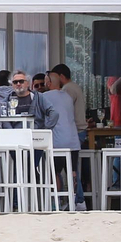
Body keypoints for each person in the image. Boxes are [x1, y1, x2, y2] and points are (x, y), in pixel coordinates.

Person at [37, 81, 83, 209]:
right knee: (72, 171)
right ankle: (74, 200)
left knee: (54, 171)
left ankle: (56, 201)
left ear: (49, 82)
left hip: (57, 141)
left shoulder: (45, 96)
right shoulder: (67, 96)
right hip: (73, 140)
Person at [48, 65, 88, 148]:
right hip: (80, 130)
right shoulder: (74, 86)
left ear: (61, 76)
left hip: (76, 131)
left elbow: (64, 112)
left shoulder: (67, 90)